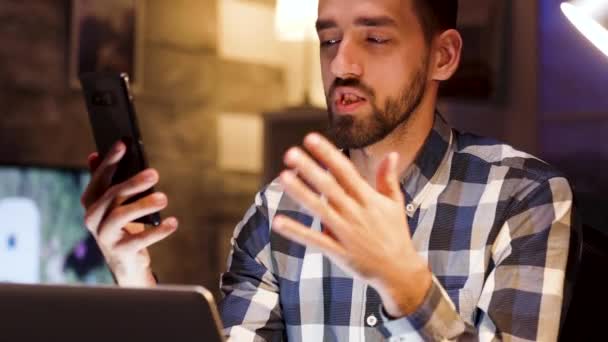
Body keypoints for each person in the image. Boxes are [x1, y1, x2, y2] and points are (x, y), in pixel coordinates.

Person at [81, 0, 575, 340]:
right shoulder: (279, 209)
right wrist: (134, 275)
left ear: (441, 56)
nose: (342, 65)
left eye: (375, 38)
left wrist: (407, 288)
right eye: (328, 39)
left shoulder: (523, 196)